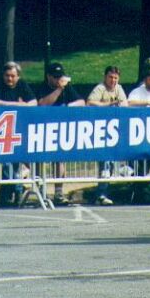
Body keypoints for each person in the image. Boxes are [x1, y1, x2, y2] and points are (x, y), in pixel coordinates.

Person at [37, 62, 85, 205]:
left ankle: (58, 193)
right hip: (42, 128)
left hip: (60, 128)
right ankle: (41, 191)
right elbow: (42, 104)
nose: (58, 79)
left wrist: (69, 106)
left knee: (59, 159)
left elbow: (82, 101)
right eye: (55, 77)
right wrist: (58, 90)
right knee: (40, 159)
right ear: (48, 77)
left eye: (60, 77)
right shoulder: (43, 87)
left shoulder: (67, 88)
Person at [0, 62, 37, 207]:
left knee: (17, 163)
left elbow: (33, 102)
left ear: (18, 77)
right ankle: (5, 195)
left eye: (12, 76)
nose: (9, 79)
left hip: (18, 129)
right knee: (5, 164)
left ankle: (17, 193)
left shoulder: (22, 85)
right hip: (1, 130)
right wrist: (16, 104)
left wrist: (25, 105)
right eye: (7, 76)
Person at [87, 66, 128, 205]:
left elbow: (125, 104)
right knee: (105, 163)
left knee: (117, 163)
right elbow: (90, 102)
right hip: (101, 131)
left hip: (117, 131)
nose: (113, 80)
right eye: (110, 77)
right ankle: (101, 193)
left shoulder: (119, 89)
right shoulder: (100, 88)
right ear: (105, 77)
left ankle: (113, 189)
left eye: (116, 78)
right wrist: (109, 104)